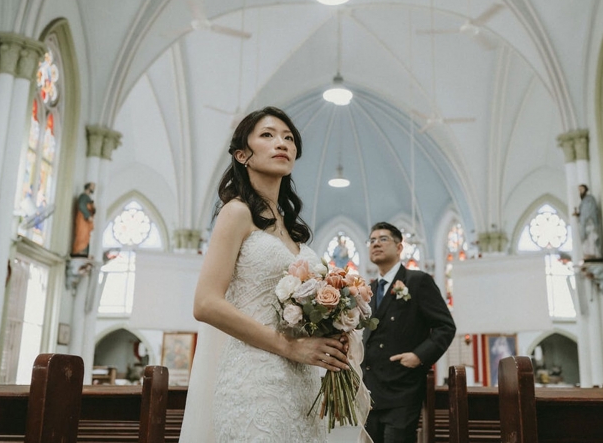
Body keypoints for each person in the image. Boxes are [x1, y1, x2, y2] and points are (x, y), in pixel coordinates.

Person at [179, 106, 349, 442]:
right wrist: (288, 347)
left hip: (304, 383)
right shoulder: (236, 212)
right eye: (268, 135)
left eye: (288, 138)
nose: (282, 143)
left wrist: (335, 325)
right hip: (255, 380)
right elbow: (205, 303)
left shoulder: (292, 229)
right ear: (243, 154)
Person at [362, 222, 456, 443]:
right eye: (372, 240)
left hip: (402, 389)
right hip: (371, 391)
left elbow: (445, 326)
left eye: (383, 239)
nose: (376, 243)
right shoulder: (370, 289)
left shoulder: (417, 281)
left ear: (399, 247)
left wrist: (419, 356)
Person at [573, 184, 603, 260]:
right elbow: (584, 213)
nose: (580, 191)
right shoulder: (583, 202)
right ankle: (588, 253)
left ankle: (593, 253)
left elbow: (589, 212)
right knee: (587, 240)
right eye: (579, 190)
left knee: (591, 238)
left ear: (585, 190)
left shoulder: (589, 199)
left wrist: (583, 217)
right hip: (585, 223)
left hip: (590, 223)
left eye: (581, 189)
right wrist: (579, 215)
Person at [71, 182, 96, 257]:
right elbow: (81, 205)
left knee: (86, 236)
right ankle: (79, 251)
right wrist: (88, 215)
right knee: (82, 235)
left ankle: (83, 251)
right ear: (88, 187)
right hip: (83, 220)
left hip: (86, 222)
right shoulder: (83, 196)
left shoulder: (88, 198)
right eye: (93, 186)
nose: (94, 188)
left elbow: (91, 208)